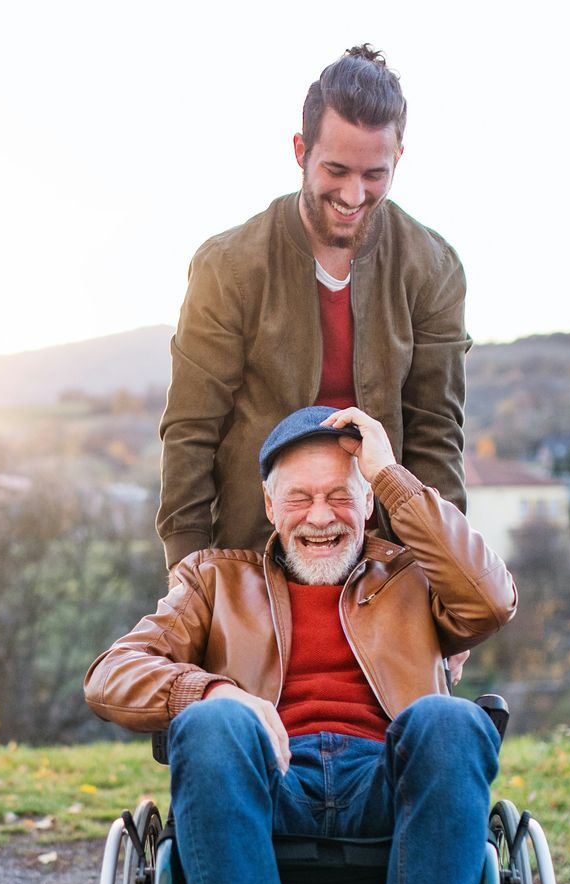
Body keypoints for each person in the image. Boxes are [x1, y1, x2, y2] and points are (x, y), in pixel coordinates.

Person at [86, 405, 516, 884]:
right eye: (301, 497)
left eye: (341, 494)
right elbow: (111, 673)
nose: (321, 516)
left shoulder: (412, 572)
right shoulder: (212, 580)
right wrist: (214, 687)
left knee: (451, 717)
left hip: (390, 779)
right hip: (269, 781)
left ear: (369, 500)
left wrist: (388, 473)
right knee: (212, 723)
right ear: (268, 504)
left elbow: (494, 601)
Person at [156, 44, 472, 572]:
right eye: (337, 170)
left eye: (374, 174)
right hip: (255, 557)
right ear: (301, 150)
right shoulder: (227, 267)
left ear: (398, 159)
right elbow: (191, 432)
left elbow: (436, 437)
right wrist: (189, 579)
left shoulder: (433, 268)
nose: (353, 194)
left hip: (383, 564)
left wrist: (448, 582)